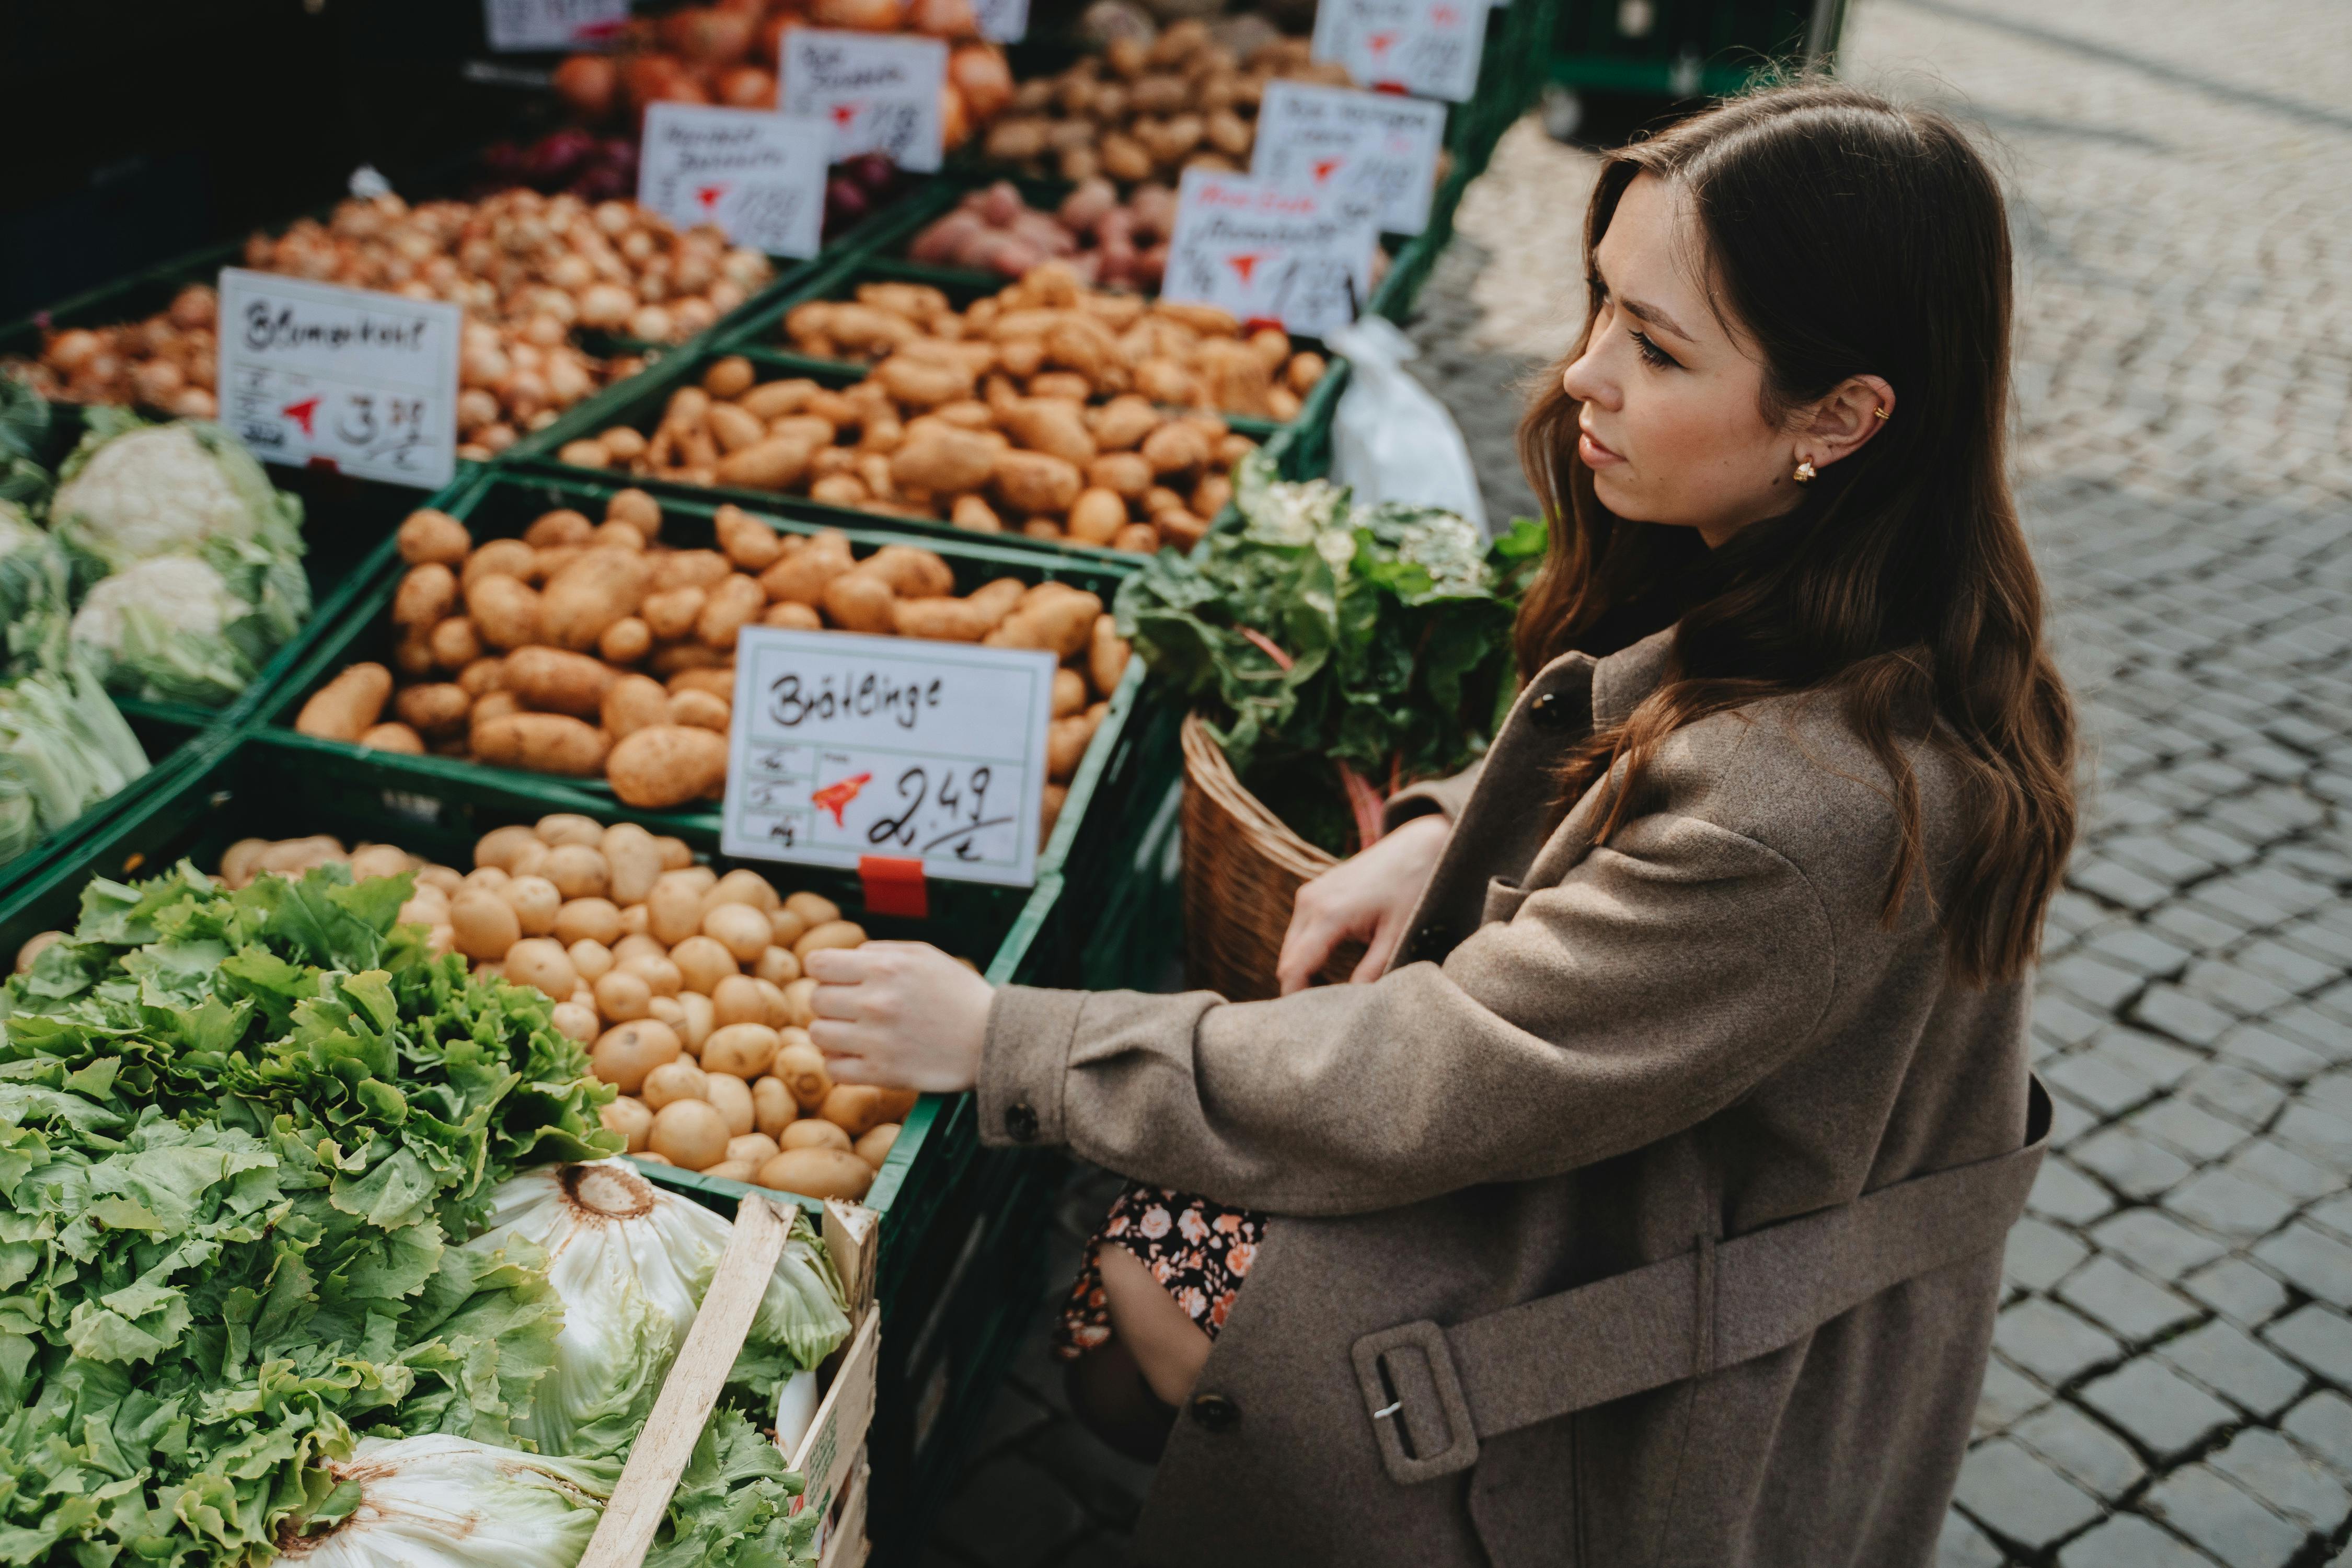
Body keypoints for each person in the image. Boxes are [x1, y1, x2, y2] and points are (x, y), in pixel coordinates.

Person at [806, 80, 2077, 1566]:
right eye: (1600, 304)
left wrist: (1003, 1043)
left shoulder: (1807, 808)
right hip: (1653, 1195)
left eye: (1655, 347)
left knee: (1145, 1279)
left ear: (1841, 417)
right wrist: (1441, 825)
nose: (1582, 375)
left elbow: (1438, 1071)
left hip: (1668, 1373)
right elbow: (1647, 742)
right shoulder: (1850, 587)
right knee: (1156, 1242)